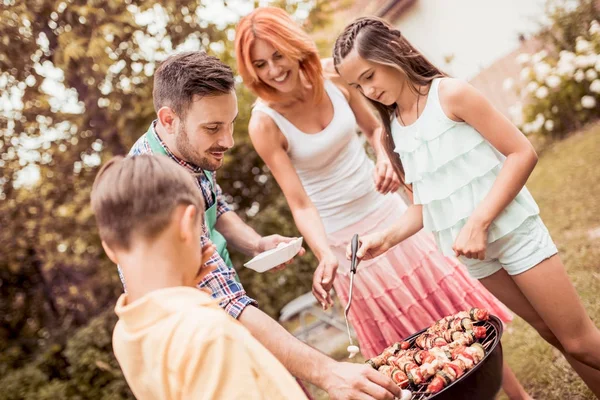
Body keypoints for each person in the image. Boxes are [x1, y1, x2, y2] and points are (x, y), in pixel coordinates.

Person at [235, 8, 530, 399]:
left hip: (392, 212)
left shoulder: (334, 77)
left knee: (454, 310)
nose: (272, 70)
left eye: (277, 55)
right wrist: (325, 254)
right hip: (347, 245)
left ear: (294, 46)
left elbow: (376, 129)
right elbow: (300, 203)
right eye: (260, 64)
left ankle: (519, 395)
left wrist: (384, 156)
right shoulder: (265, 123)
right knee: (403, 343)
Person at [333, 16, 600, 397]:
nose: (368, 90)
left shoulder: (450, 95)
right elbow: (428, 206)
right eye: (358, 85)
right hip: (477, 255)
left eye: (370, 75)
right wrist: (386, 238)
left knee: (579, 341)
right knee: (551, 334)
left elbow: (522, 152)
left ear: (392, 53)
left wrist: (479, 221)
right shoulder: (395, 129)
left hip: (511, 232)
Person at [125, 50, 401, 400]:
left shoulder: (185, 146)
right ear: (168, 118)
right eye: (213, 128)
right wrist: (329, 372)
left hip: (223, 313)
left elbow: (217, 205)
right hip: (200, 341)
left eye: (230, 124)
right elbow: (225, 300)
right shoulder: (158, 189)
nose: (227, 140)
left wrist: (255, 244)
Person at [91, 154, 309, 399]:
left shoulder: (126, 333)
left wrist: (188, 291)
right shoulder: (209, 334)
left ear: (109, 249)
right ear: (187, 223)